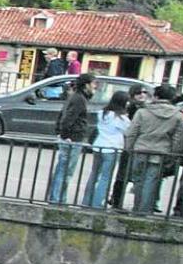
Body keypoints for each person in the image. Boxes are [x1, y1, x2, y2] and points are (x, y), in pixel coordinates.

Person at [124, 83, 183, 214]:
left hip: (140, 149)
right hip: (160, 152)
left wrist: (129, 149)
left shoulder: (142, 112)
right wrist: (172, 155)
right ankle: (144, 210)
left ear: (156, 96)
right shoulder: (177, 116)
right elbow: (177, 139)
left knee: (138, 180)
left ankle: (137, 207)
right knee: (151, 182)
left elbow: (132, 132)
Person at [48, 73, 96, 204]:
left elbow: (63, 114)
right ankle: (57, 199)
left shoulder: (75, 97)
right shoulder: (79, 99)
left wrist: (60, 132)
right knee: (65, 171)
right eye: (93, 84)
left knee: (63, 169)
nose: (95, 87)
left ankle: (58, 198)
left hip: (72, 137)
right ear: (86, 85)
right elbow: (67, 118)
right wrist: (65, 135)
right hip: (73, 138)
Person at [82, 90, 132, 209]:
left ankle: (86, 201)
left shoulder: (103, 113)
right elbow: (128, 131)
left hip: (99, 145)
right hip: (112, 148)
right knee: (106, 177)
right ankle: (97, 203)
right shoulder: (122, 119)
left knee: (94, 174)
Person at [109, 84, 151, 208]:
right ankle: (116, 201)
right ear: (133, 95)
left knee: (135, 175)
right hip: (128, 145)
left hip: (139, 144)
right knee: (123, 175)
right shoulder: (130, 109)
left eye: (144, 92)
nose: (142, 95)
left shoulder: (147, 109)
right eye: (139, 93)